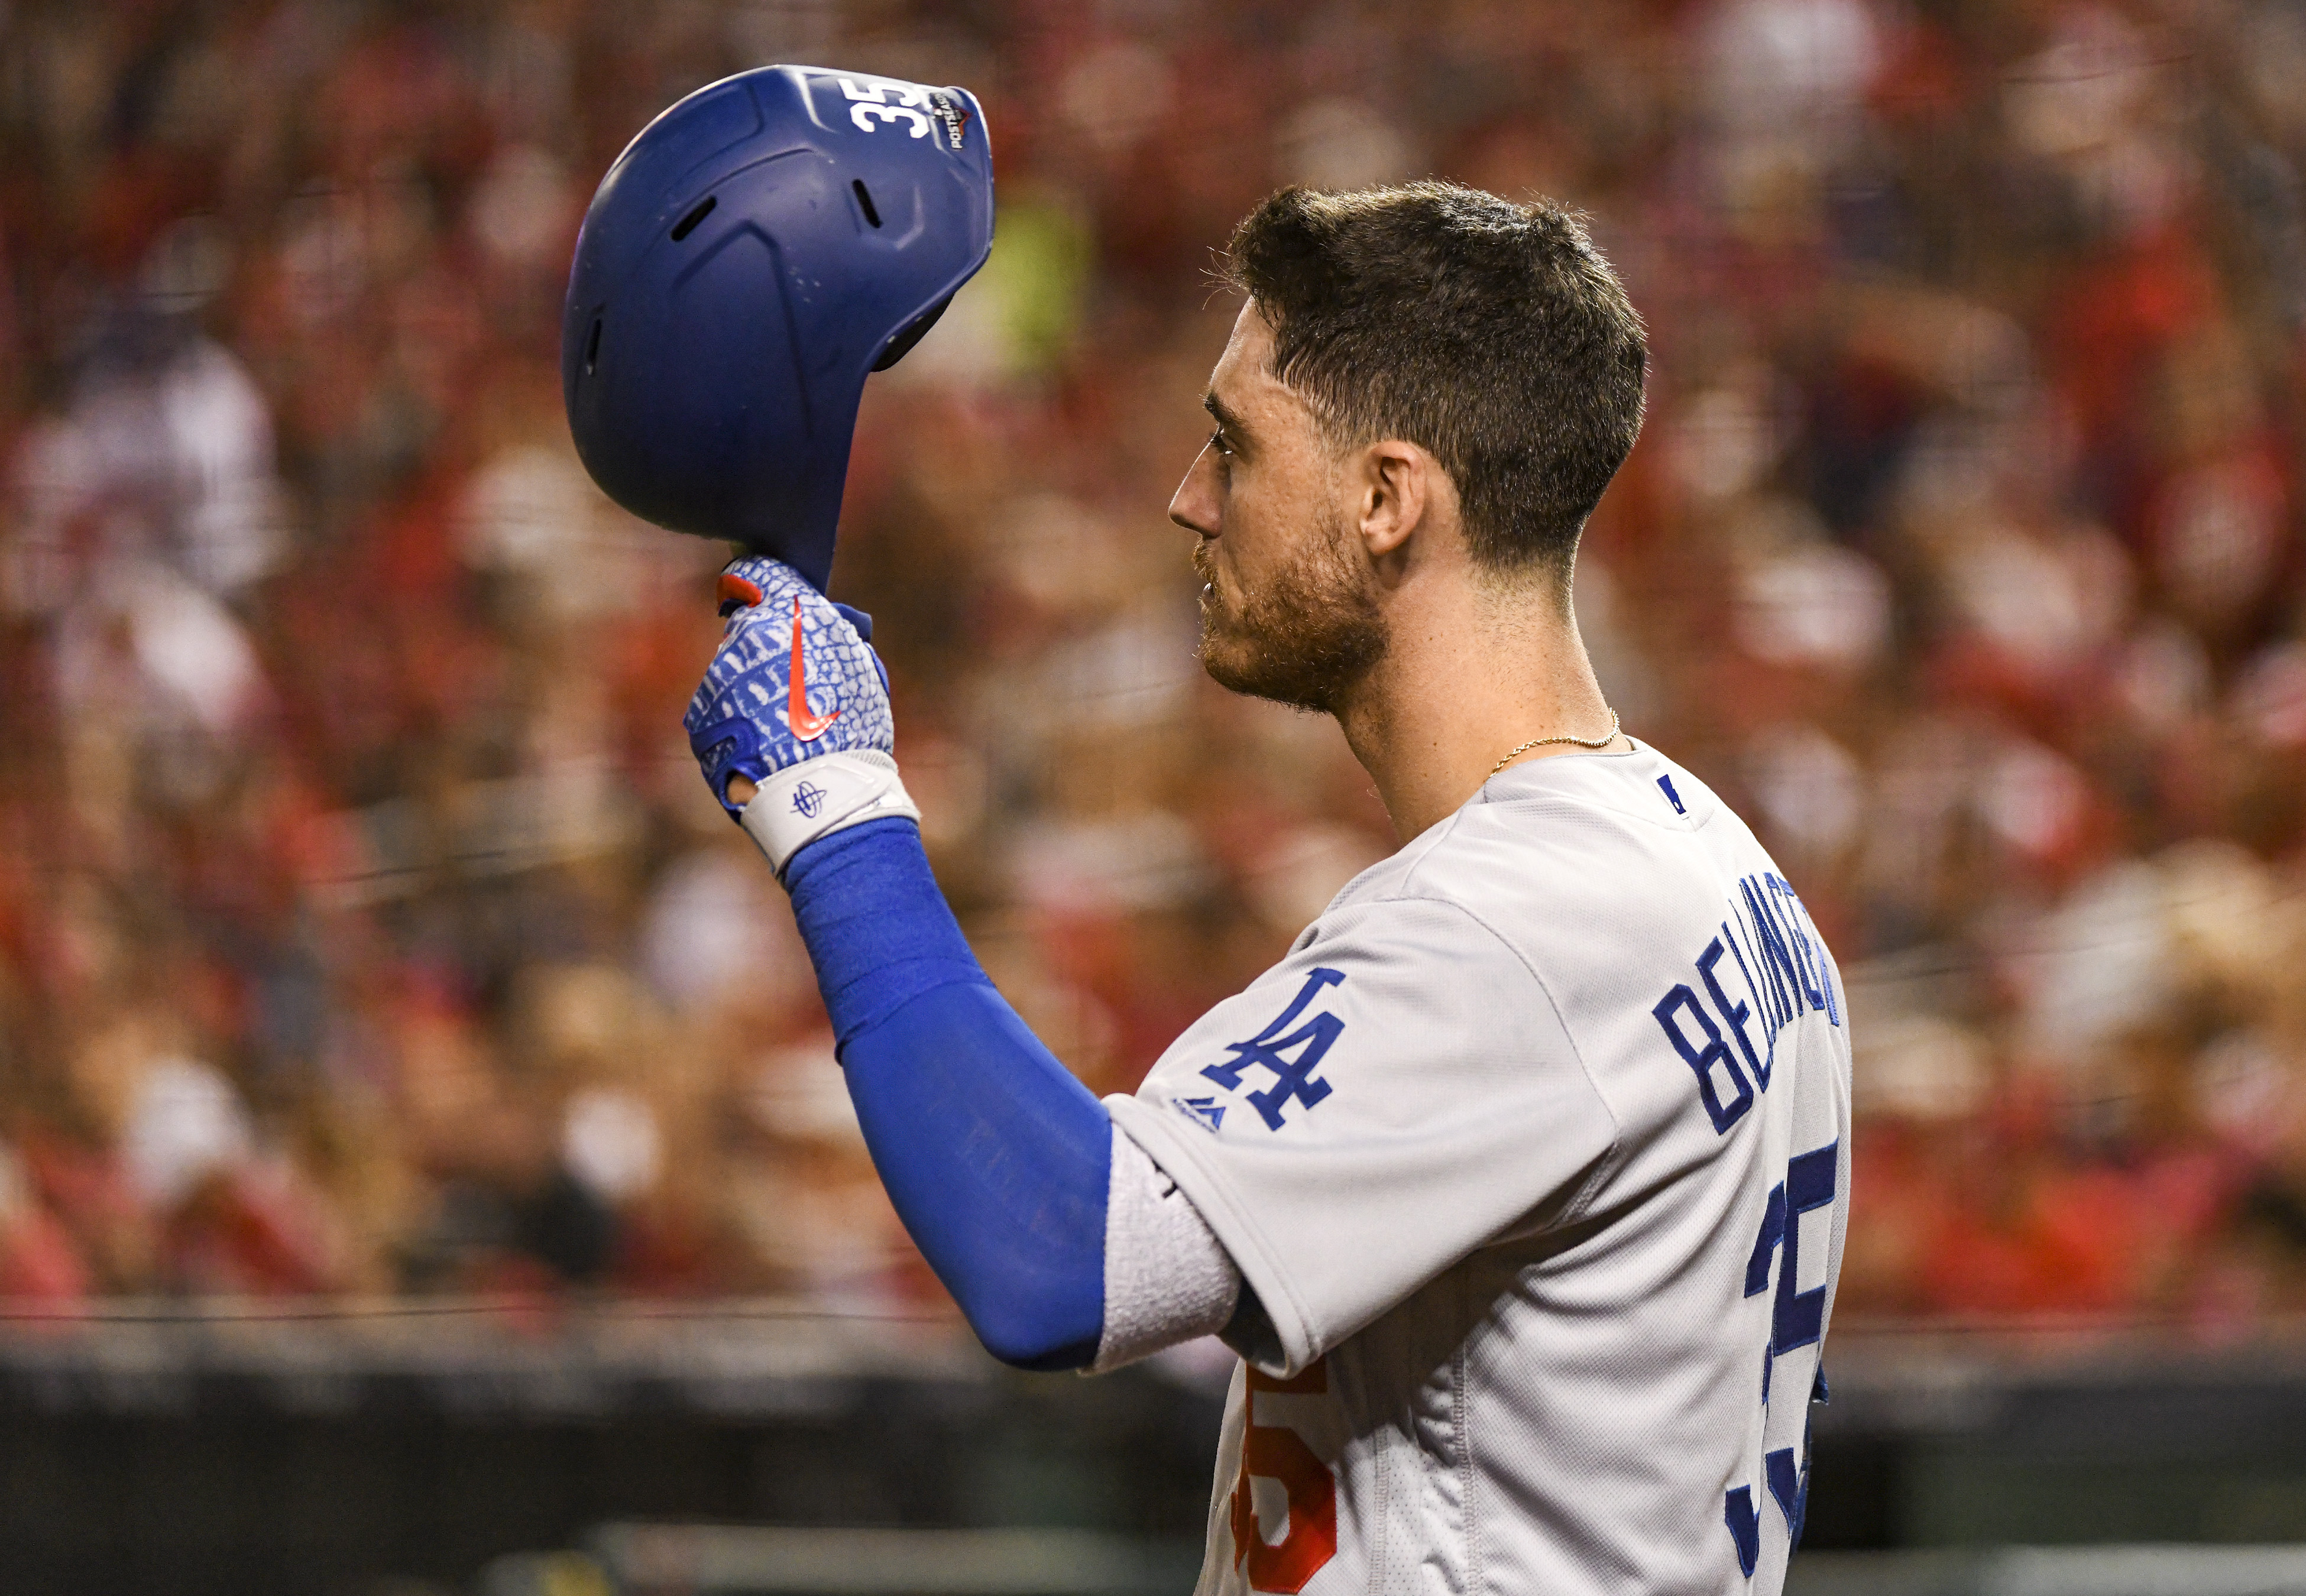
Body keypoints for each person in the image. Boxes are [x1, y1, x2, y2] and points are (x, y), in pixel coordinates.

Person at [684, 181, 1853, 1596]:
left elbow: (1059, 1259)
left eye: (1236, 445)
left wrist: (838, 810)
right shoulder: (1710, 864)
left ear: (1384, 499)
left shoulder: (1523, 922)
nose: (1190, 497)